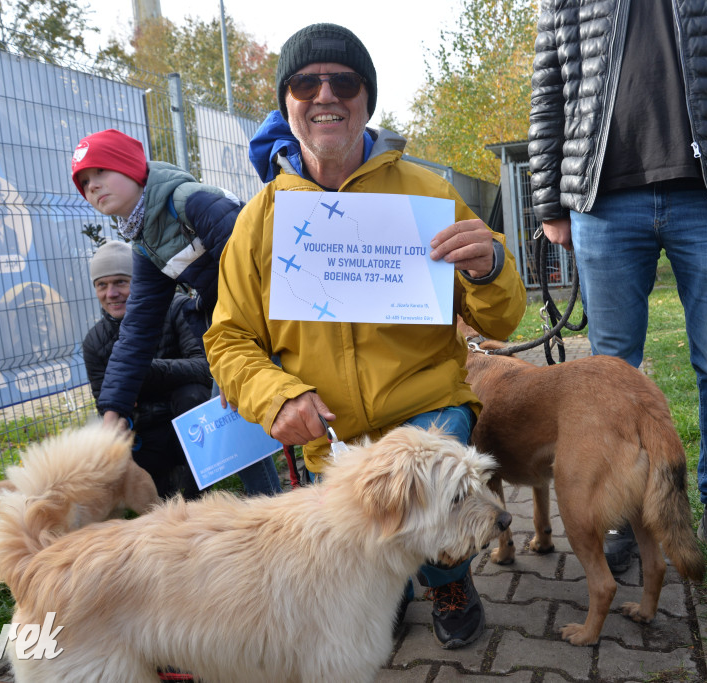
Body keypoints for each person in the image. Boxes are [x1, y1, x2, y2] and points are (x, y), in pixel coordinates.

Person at [204, 23, 527, 649]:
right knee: (365, 542)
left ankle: (449, 577)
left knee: (429, 500)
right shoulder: (262, 218)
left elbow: (502, 321)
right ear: (288, 105)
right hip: (333, 428)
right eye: (305, 83)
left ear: (366, 101)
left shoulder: (428, 195)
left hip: (427, 412)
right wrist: (277, 396)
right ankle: (392, 584)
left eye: (344, 82)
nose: (325, 94)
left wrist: (489, 268)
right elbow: (229, 340)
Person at [528, 0, 707, 577]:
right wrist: (550, 198)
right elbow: (549, 89)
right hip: (604, 202)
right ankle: (623, 510)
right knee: (609, 372)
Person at [71, 129, 282, 497]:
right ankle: (272, 513)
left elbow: (261, 270)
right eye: (84, 182)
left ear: (131, 168)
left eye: (101, 172)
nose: (92, 186)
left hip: (282, 323)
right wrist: (112, 412)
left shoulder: (191, 202)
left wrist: (253, 357)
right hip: (239, 335)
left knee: (313, 425)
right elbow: (136, 331)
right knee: (236, 425)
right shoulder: (146, 243)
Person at [82, 240, 209, 499]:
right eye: (102, 285)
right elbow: (104, 406)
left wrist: (140, 370)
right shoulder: (94, 342)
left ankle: (200, 493)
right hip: (144, 436)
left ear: (138, 281)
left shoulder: (174, 308)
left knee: (192, 394)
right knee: (103, 428)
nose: (111, 293)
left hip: (186, 426)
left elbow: (205, 368)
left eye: (120, 282)